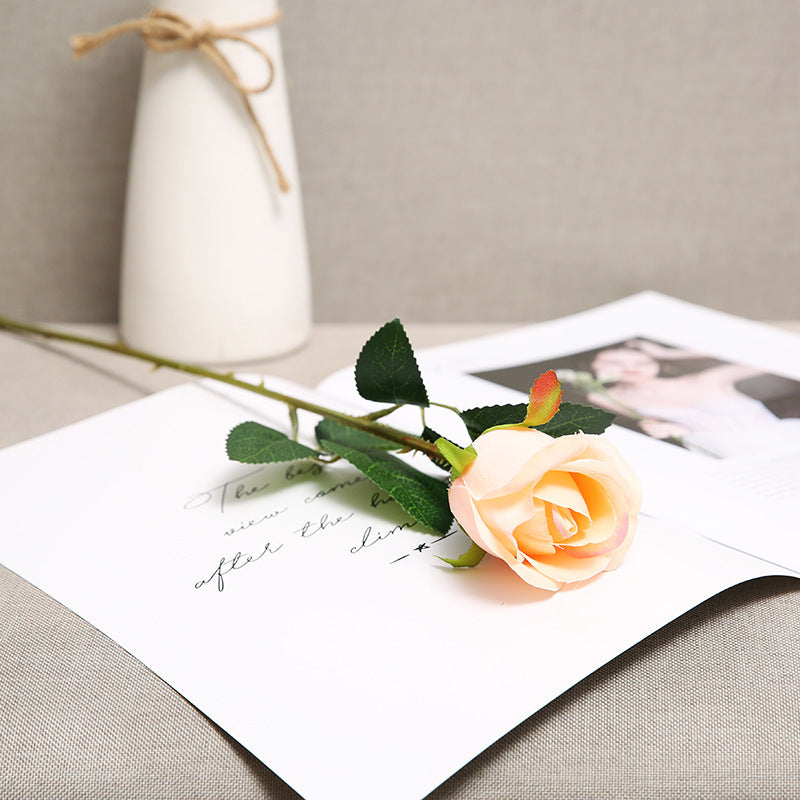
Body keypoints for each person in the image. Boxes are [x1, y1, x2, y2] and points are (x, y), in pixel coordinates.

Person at [582, 340, 800, 458]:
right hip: (716, 454)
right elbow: (652, 425)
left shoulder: (710, 379)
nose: (630, 368)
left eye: (641, 362)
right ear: (593, 366)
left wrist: (670, 353)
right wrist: (674, 430)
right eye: (615, 363)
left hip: (782, 444)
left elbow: (774, 349)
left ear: (658, 363)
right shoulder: (606, 396)